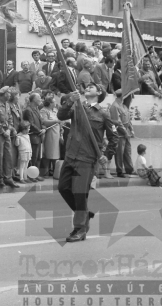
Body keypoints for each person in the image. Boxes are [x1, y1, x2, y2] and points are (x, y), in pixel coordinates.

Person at [57, 83, 118, 242]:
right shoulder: (77, 106)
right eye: (88, 86)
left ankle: (80, 229)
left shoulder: (103, 114)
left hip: (87, 157)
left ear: (99, 92)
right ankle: (85, 214)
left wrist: (106, 155)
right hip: (71, 154)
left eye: (92, 87)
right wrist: (70, 100)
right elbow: (61, 115)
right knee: (63, 187)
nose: (88, 87)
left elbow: (113, 138)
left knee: (79, 193)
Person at [0, 86, 20, 189]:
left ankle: (8, 177)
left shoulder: (7, 104)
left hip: (6, 133)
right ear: (4, 94)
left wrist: (9, 129)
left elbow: (10, 118)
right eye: (9, 93)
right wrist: (3, 131)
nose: (10, 95)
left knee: (8, 155)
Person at [109, 89, 135, 178]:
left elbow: (128, 119)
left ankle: (129, 169)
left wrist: (131, 130)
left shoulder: (124, 106)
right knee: (119, 152)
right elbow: (118, 122)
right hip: (120, 133)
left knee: (127, 151)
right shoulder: (114, 106)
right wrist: (125, 132)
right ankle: (119, 171)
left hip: (126, 132)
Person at [22, 93, 45, 180]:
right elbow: (30, 124)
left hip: (38, 136)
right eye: (39, 97)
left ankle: (35, 174)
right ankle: (30, 175)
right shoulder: (28, 110)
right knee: (33, 157)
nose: (40, 99)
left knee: (38, 156)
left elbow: (42, 122)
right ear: (33, 99)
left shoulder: (37, 109)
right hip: (33, 136)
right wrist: (39, 130)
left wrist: (44, 129)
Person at [39, 93, 62, 177]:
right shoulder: (43, 110)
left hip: (57, 134)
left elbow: (60, 123)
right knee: (48, 153)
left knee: (56, 154)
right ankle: (44, 173)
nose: (55, 103)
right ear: (49, 103)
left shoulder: (55, 110)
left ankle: (55, 172)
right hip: (49, 134)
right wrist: (56, 121)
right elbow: (44, 122)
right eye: (53, 102)